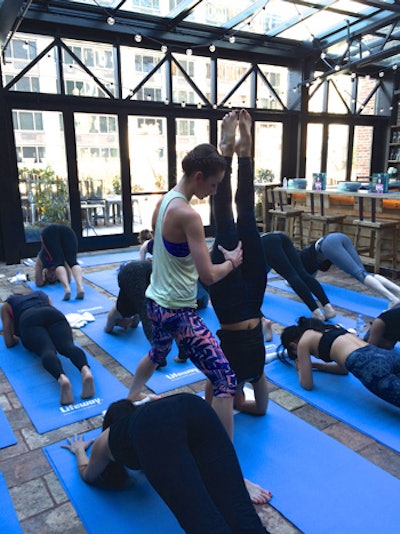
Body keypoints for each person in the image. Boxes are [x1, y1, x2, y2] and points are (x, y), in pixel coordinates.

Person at [126, 138, 243, 444]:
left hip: (155, 302)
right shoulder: (190, 215)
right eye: (214, 185)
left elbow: (156, 244)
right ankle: (225, 460)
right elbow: (209, 275)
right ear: (199, 177)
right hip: (179, 312)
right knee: (225, 380)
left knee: (157, 352)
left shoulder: (164, 201)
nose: (214, 192)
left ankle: (133, 395)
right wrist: (233, 262)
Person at [62, 393, 268, 533]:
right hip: (192, 405)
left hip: (160, 424)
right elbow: (207, 465)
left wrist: (80, 450)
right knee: (241, 513)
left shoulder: (106, 440)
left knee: (205, 523)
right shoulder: (148, 416)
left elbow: (88, 474)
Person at [204, 109, 269, 418]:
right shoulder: (256, 374)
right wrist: (242, 403)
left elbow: (211, 410)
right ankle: (244, 153)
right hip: (254, 298)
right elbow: (262, 409)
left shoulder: (221, 376)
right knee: (246, 213)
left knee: (225, 220)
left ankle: (226, 152)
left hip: (231, 302)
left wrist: (231, 399)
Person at [279, 316, 400, 408]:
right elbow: (343, 370)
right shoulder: (331, 328)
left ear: (293, 345)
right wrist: (317, 366)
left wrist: (300, 368)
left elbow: (307, 385)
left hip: (368, 365)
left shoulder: (303, 342)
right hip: (384, 355)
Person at [1, 290, 94, 405]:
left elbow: (9, 341)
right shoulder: (42, 295)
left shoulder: (8, 304)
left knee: (46, 350)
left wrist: (17, 338)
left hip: (29, 318)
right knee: (68, 346)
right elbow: (50, 323)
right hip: (53, 314)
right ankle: (86, 371)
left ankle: (62, 378)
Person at [300, 232, 400, 309]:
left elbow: (309, 278)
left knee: (359, 274)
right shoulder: (307, 253)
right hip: (338, 236)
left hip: (328, 244)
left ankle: (392, 299)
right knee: (364, 273)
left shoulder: (303, 259)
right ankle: (398, 292)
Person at [261, 232, 336, 321]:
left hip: (266, 243)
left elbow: (260, 276)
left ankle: (317, 313)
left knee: (291, 276)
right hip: (279, 236)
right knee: (302, 273)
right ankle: (328, 308)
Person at [34, 224, 85, 301]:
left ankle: (67, 289)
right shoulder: (62, 267)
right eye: (54, 278)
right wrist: (62, 279)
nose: (52, 276)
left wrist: (43, 278)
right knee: (73, 262)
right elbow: (69, 279)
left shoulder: (41, 261)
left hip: (49, 232)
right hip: (67, 230)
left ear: (45, 273)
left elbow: (39, 283)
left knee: (59, 263)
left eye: (50, 277)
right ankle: (80, 288)